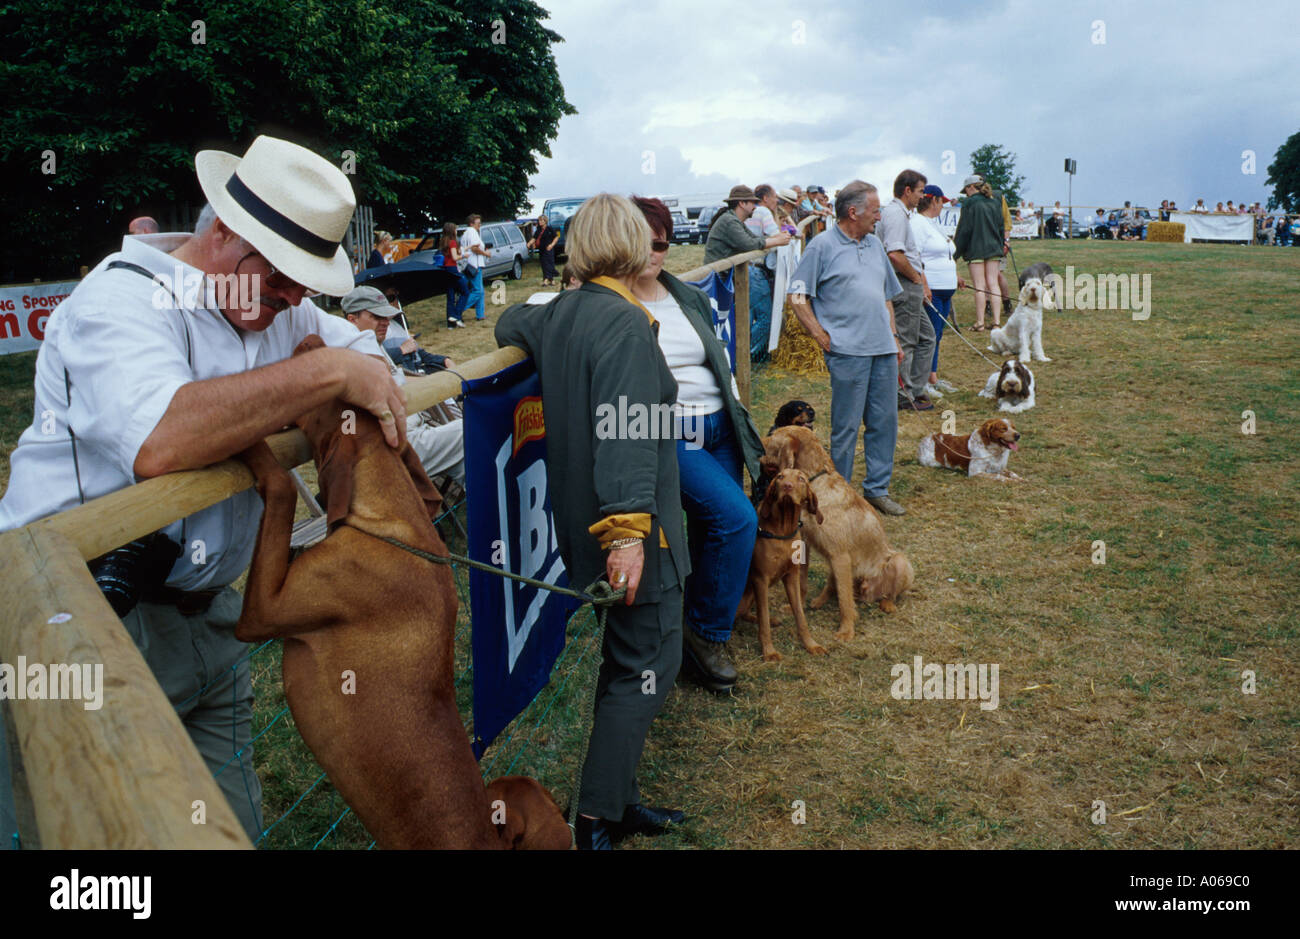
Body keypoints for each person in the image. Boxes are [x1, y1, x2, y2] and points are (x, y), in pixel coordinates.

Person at [0, 135, 406, 847]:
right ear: (223, 229)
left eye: (306, 287)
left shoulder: (279, 303)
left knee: (227, 831)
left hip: (211, 614)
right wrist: (322, 375)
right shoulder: (118, 299)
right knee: (92, 842)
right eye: (279, 277)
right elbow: (163, 438)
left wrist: (345, 361)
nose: (291, 301)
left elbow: (379, 365)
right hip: (84, 623)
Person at [495, 193, 689, 850]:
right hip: (633, 530)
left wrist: (562, 296)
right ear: (635, 245)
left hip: (583, 525)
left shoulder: (563, 313)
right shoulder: (626, 325)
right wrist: (631, 536)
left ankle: (617, 795)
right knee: (650, 664)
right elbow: (631, 437)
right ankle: (599, 817)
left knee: (622, 662)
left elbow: (508, 323)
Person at [629, 195, 762, 694]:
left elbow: (716, 358)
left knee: (714, 528)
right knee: (737, 518)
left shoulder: (686, 295)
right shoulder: (609, 301)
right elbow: (521, 323)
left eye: (661, 240)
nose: (652, 251)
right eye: (640, 239)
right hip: (669, 432)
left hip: (721, 425)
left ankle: (691, 623)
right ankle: (703, 635)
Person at [787, 180, 907, 517]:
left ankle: (877, 490)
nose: (879, 216)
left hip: (882, 349)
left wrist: (894, 338)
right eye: (875, 210)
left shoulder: (874, 245)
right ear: (853, 212)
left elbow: (885, 296)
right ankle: (837, 493)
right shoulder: (821, 247)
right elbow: (797, 296)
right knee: (846, 426)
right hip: (847, 353)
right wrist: (820, 334)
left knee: (885, 422)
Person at [879, 169, 936, 412]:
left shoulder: (900, 214)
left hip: (908, 283)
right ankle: (902, 395)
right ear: (907, 190)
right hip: (902, 284)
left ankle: (915, 389)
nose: (922, 196)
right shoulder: (895, 215)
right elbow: (894, 254)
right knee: (907, 340)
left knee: (927, 337)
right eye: (920, 191)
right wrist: (914, 278)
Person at [911, 184, 963, 400]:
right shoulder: (917, 224)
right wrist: (924, 285)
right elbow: (915, 256)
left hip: (945, 287)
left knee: (937, 334)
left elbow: (946, 253)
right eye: (942, 202)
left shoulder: (933, 224)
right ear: (934, 201)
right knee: (929, 335)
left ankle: (932, 376)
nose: (943, 206)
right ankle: (921, 380)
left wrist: (955, 275)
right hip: (932, 288)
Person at [342, 286, 449, 375]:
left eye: (386, 316)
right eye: (377, 317)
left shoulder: (374, 345)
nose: (386, 322)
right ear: (353, 319)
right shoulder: (349, 357)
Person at [953, 175, 1004, 332]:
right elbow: (1001, 227)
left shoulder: (969, 203)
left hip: (976, 249)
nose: (965, 194)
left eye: (966, 191)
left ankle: (980, 322)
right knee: (993, 284)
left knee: (979, 286)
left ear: (970, 188)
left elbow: (964, 230)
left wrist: (954, 253)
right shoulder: (995, 201)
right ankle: (996, 322)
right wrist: (1001, 244)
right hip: (994, 247)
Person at [743, 184, 782, 362]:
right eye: (775, 197)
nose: (777, 201)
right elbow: (776, 236)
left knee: (747, 313)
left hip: (743, 268)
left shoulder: (748, 214)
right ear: (765, 198)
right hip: (756, 270)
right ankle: (753, 355)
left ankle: (743, 355)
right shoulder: (763, 212)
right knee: (765, 315)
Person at [460, 214, 490, 324]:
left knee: (480, 291)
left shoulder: (465, 234)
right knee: (478, 291)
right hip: (474, 266)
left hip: (469, 265)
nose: (480, 225)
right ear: (471, 224)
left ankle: (480, 314)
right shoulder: (472, 232)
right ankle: (458, 310)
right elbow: (474, 248)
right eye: (478, 223)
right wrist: (486, 253)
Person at [438, 221, 468, 328]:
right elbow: (455, 258)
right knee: (465, 292)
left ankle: (450, 324)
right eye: (455, 229)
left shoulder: (444, 242)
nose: (456, 231)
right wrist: (464, 256)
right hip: (453, 269)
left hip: (446, 269)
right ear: (452, 231)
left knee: (450, 296)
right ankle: (456, 315)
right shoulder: (453, 242)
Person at [528, 215, 559, 286]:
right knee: (544, 264)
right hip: (541, 249)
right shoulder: (538, 230)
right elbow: (534, 238)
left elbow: (556, 237)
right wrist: (529, 243)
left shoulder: (549, 229)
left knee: (549, 263)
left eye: (542, 220)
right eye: (539, 220)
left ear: (545, 221)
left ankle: (546, 280)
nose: (540, 222)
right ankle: (551, 280)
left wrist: (551, 245)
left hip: (548, 248)